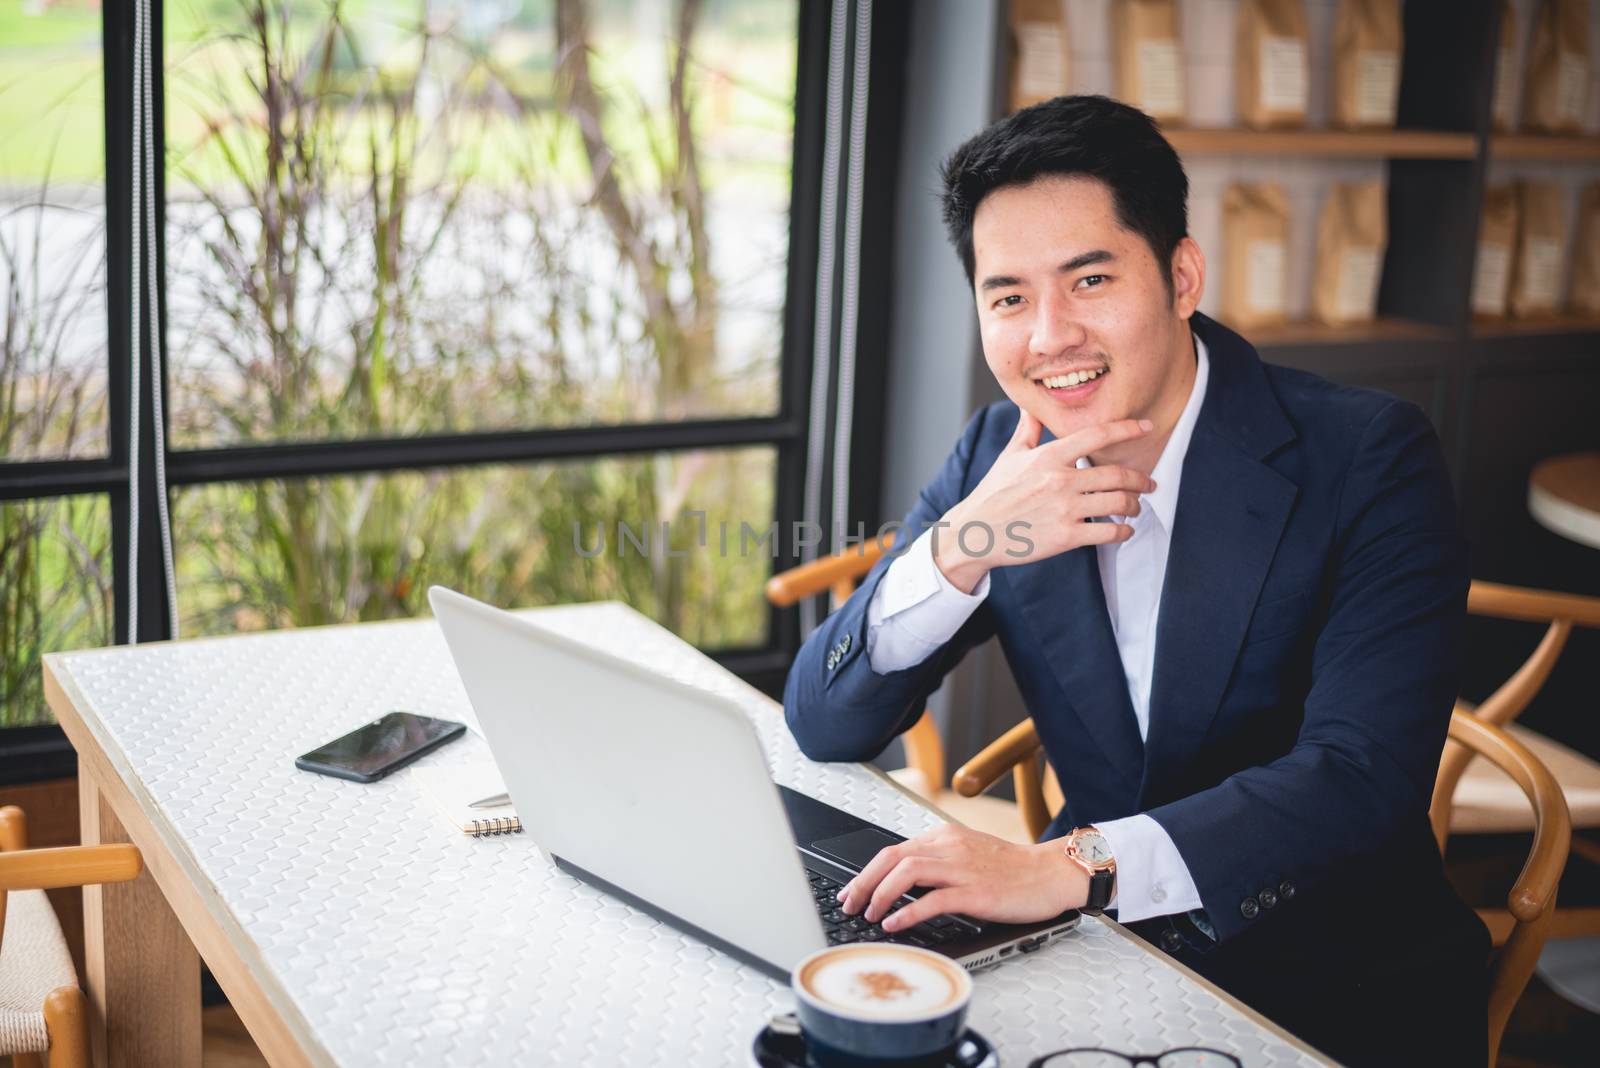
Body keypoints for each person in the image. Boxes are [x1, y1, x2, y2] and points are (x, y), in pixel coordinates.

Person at [782, 95, 1488, 1066]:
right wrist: (965, 544)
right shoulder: (1002, 450)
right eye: (1008, 298)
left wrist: (1071, 866)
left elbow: (1360, 780)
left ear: (1181, 275)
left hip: (1332, 980)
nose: (1048, 337)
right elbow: (823, 719)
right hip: (1093, 957)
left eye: (1089, 279)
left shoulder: (1366, 456)